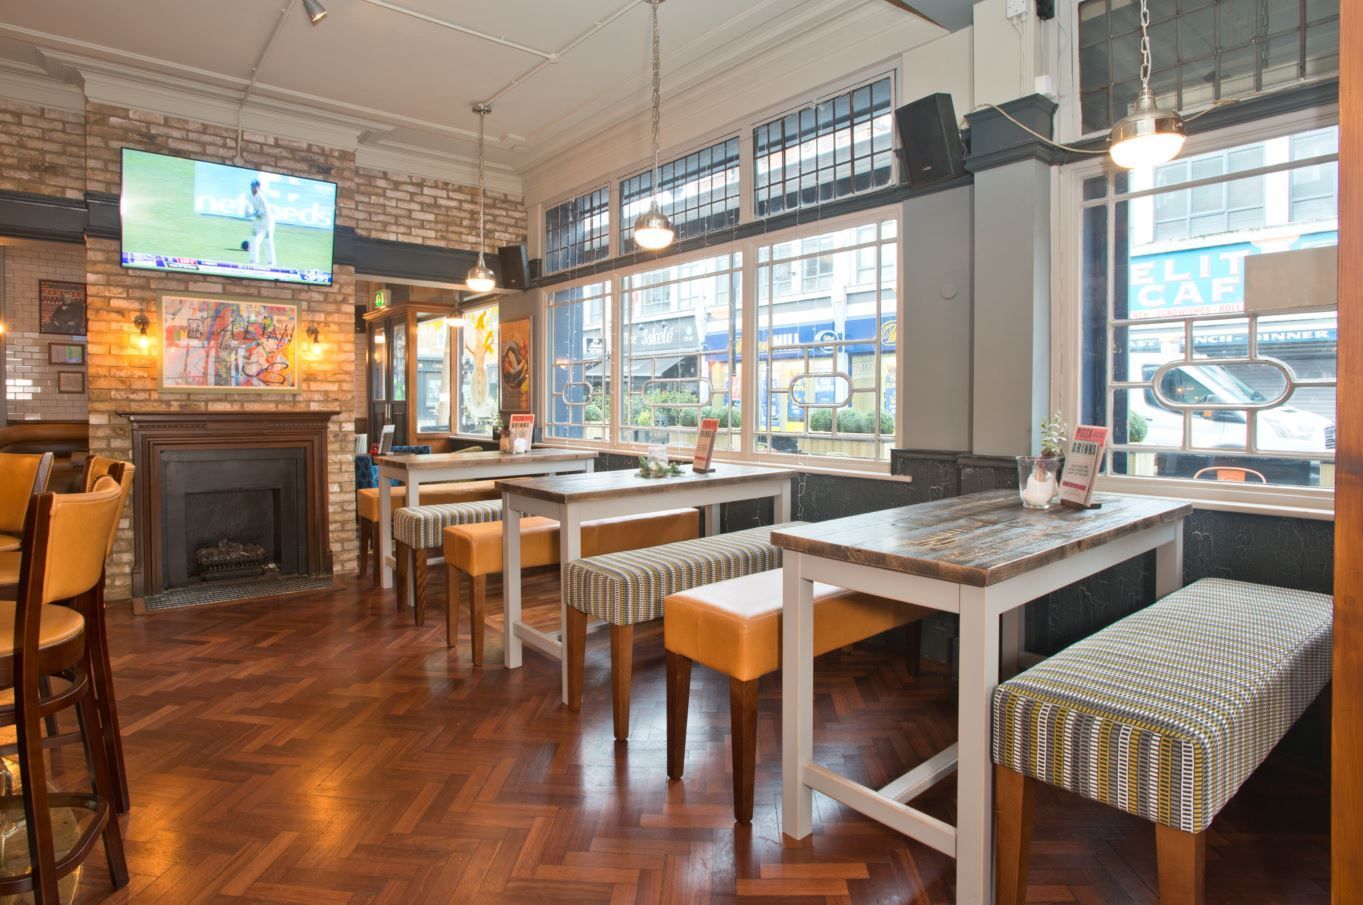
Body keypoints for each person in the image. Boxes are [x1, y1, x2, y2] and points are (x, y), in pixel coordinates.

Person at [240, 179, 276, 267]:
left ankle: (271, 263)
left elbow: (266, 211)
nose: (252, 188)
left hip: (268, 220)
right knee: (253, 239)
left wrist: (256, 213)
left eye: (254, 186)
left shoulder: (261, 197)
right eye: (251, 186)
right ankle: (253, 261)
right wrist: (248, 213)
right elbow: (247, 210)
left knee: (268, 240)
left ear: (258, 187)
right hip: (258, 220)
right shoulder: (249, 195)